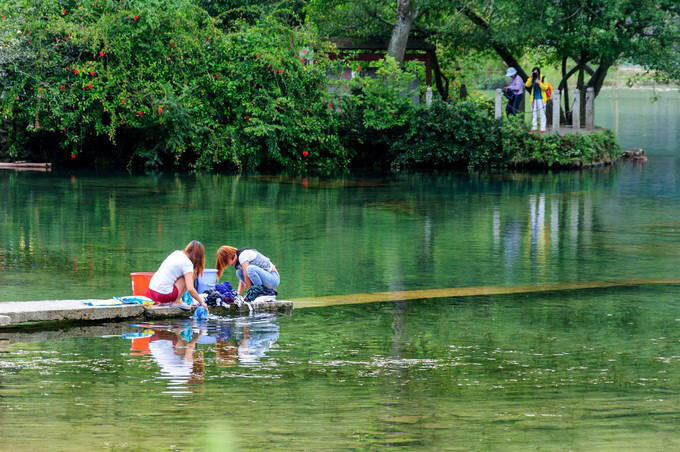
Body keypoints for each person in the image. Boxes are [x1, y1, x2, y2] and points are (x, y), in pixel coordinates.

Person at [148, 240, 209, 310]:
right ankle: (176, 301)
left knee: (176, 275)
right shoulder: (187, 264)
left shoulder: (177, 253)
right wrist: (202, 302)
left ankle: (163, 302)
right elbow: (190, 288)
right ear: (197, 256)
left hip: (152, 291)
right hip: (163, 295)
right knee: (190, 276)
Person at [215, 246, 280, 295]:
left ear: (230, 256)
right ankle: (257, 292)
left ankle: (260, 293)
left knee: (250, 269)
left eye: (226, 262)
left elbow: (246, 275)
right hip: (266, 280)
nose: (228, 265)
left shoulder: (243, 255)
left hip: (273, 278)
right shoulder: (239, 263)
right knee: (239, 272)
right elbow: (242, 281)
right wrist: (238, 295)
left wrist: (250, 295)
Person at [525, 67, 550, 132]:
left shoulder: (543, 78)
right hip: (534, 99)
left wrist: (539, 83)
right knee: (534, 114)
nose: (535, 73)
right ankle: (534, 128)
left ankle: (542, 128)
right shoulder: (532, 79)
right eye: (534, 72)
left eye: (536, 72)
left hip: (541, 98)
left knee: (542, 114)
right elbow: (527, 85)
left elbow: (546, 87)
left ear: (539, 72)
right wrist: (530, 77)